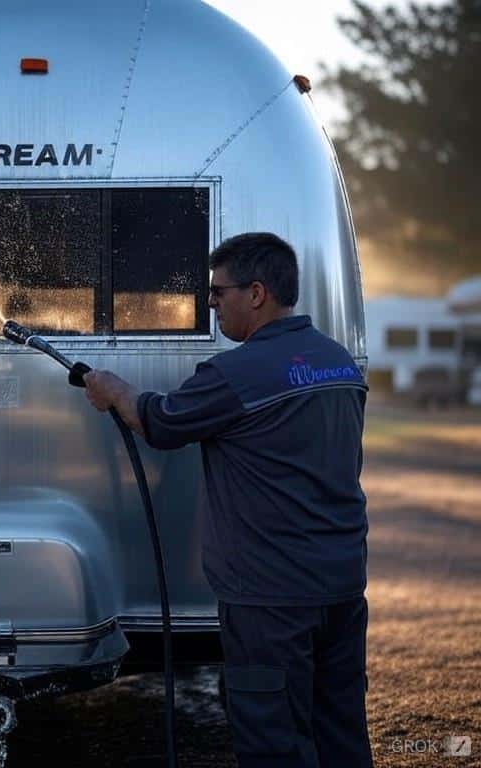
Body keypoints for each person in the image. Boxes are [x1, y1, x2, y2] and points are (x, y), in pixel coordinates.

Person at [83, 232, 373, 768]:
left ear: (257, 293)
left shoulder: (236, 374)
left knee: (273, 742)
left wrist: (113, 389)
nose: (211, 303)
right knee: (340, 733)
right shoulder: (338, 363)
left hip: (270, 597)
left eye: (219, 292)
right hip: (341, 586)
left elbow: (159, 421)